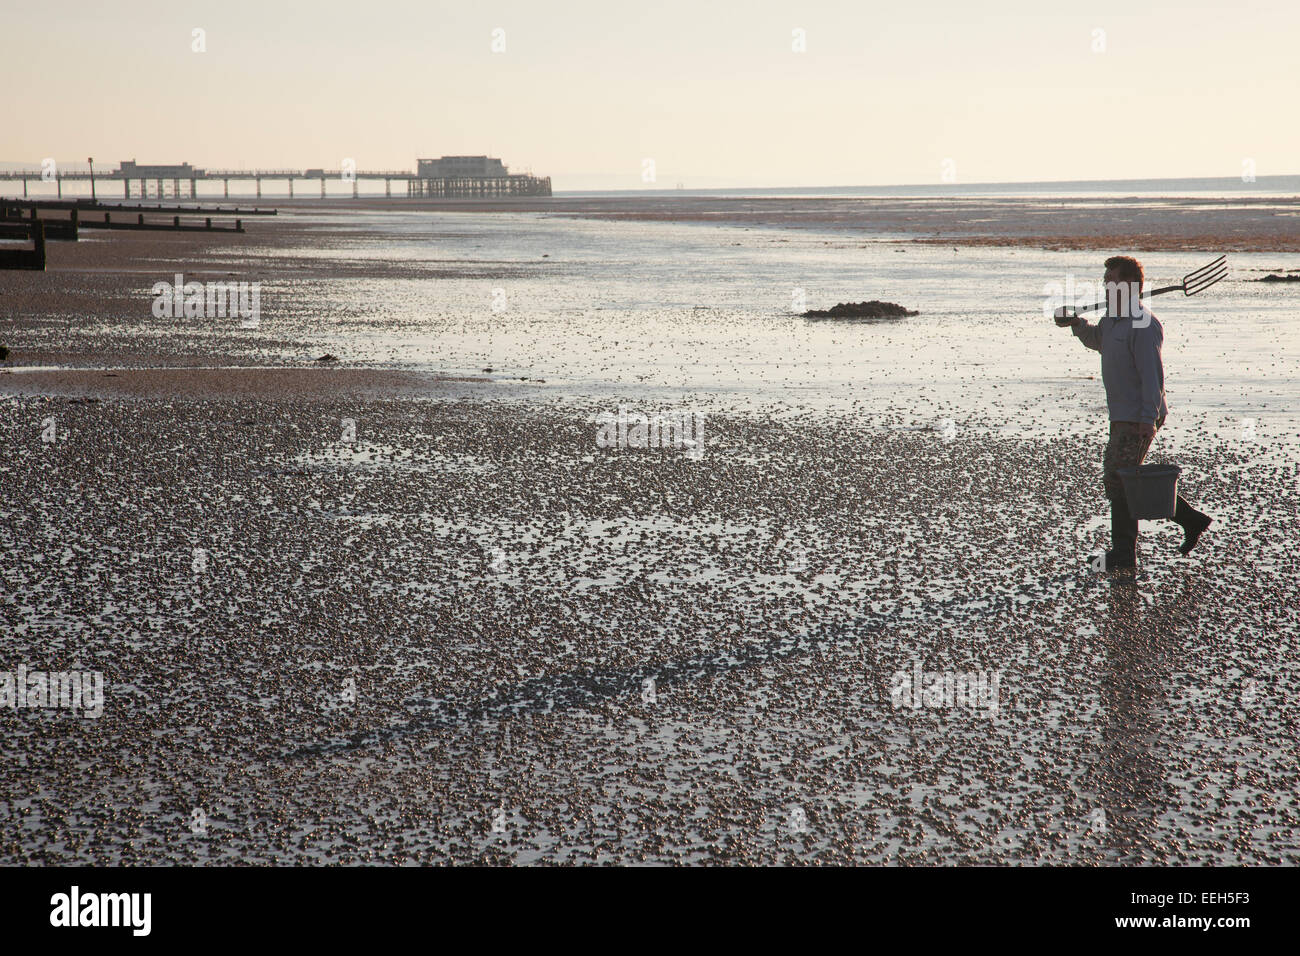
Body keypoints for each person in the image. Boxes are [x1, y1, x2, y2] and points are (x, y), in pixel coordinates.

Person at [1056, 255, 1212, 571]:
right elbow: (1098, 341)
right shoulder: (1113, 319)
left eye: (1112, 280)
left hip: (1139, 415)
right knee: (1125, 479)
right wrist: (1076, 324)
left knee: (1119, 478)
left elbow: (1152, 376)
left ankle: (1124, 552)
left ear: (1129, 285)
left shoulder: (1145, 323)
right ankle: (1190, 519)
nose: (1106, 285)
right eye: (1105, 281)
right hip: (1121, 414)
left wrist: (1146, 419)